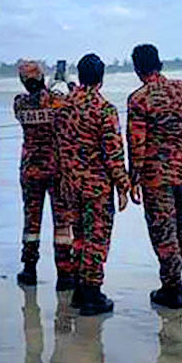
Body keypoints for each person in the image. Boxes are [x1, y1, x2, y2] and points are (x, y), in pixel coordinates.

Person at [126, 44, 182, 308]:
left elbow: (137, 143)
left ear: (137, 69)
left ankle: (171, 289)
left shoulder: (139, 99)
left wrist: (133, 178)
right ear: (160, 64)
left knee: (163, 230)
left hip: (155, 178)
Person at [54, 53, 130, 316]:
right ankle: (91, 293)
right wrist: (123, 186)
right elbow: (113, 153)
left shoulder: (62, 107)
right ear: (101, 78)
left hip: (70, 184)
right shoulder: (104, 109)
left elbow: (58, 145)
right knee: (96, 239)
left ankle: (78, 290)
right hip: (96, 186)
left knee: (79, 237)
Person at [13, 59, 75, 289]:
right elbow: (73, 103)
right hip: (56, 169)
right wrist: (67, 83)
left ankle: (29, 269)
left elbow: (35, 101)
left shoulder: (19, 103)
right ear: (41, 78)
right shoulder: (56, 101)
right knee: (62, 222)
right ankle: (65, 274)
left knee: (31, 221)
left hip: (31, 169)